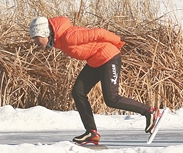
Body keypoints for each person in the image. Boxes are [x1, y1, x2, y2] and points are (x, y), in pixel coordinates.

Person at [29, 16, 162, 145]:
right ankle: (91, 132)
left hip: (109, 58)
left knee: (112, 99)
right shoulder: (59, 39)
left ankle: (150, 112)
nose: (36, 42)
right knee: (78, 92)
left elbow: (99, 33)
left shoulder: (69, 37)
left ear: (45, 33)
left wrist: (117, 42)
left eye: (36, 38)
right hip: (95, 62)